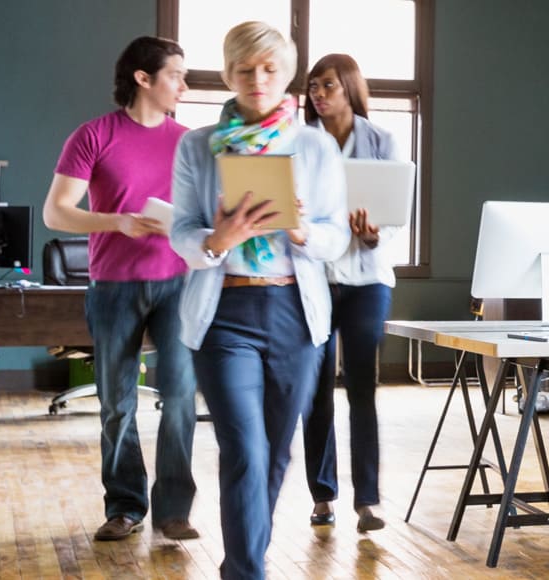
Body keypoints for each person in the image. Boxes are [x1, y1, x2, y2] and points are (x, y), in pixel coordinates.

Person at [169, 21, 348, 579]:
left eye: (270, 68)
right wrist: (219, 238)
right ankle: (248, 573)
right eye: (244, 69)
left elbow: (336, 237)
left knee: (274, 455)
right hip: (224, 317)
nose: (257, 79)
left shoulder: (314, 146)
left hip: (294, 315)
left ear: (286, 74)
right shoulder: (196, 145)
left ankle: (243, 562)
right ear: (227, 74)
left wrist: (299, 231)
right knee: (244, 450)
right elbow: (181, 233)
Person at [43, 36, 199, 542]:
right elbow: (56, 211)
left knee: (178, 397)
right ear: (143, 78)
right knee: (117, 403)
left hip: (178, 283)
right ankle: (126, 506)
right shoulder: (93, 136)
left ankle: (174, 510)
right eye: (175, 74)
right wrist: (118, 222)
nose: (184, 84)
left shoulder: (188, 141)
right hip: (112, 287)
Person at [299, 53, 398, 532]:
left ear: (350, 88)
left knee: (362, 388)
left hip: (367, 280)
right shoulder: (302, 143)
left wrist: (376, 233)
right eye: (313, 86)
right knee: (314, 391)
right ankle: (322, 495)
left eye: (328, 85)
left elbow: (398, 213)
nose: (319, 94)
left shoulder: (382, 140)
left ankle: (368, 499)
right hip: (314, 277)